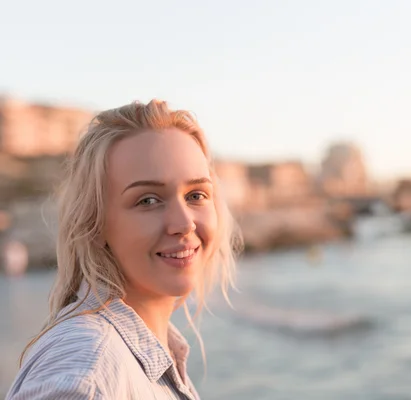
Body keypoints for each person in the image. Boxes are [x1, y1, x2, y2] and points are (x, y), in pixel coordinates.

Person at [6, 99, 242, 399]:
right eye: (148, 200)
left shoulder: (148, 353)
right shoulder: (89, 368)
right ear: (96, 224)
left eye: (196, 195)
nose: (184, 223)